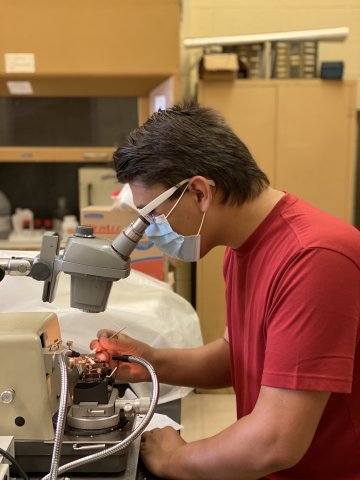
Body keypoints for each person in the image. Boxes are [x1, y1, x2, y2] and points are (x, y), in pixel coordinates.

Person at [90, 103, 360, 479]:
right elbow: (240, 356)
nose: (150, 231)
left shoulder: (313, 258)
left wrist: (174, 459)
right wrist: (149, 361)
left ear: (200, 193)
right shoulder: (240, 249)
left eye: (152, 215)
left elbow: (275, 442)